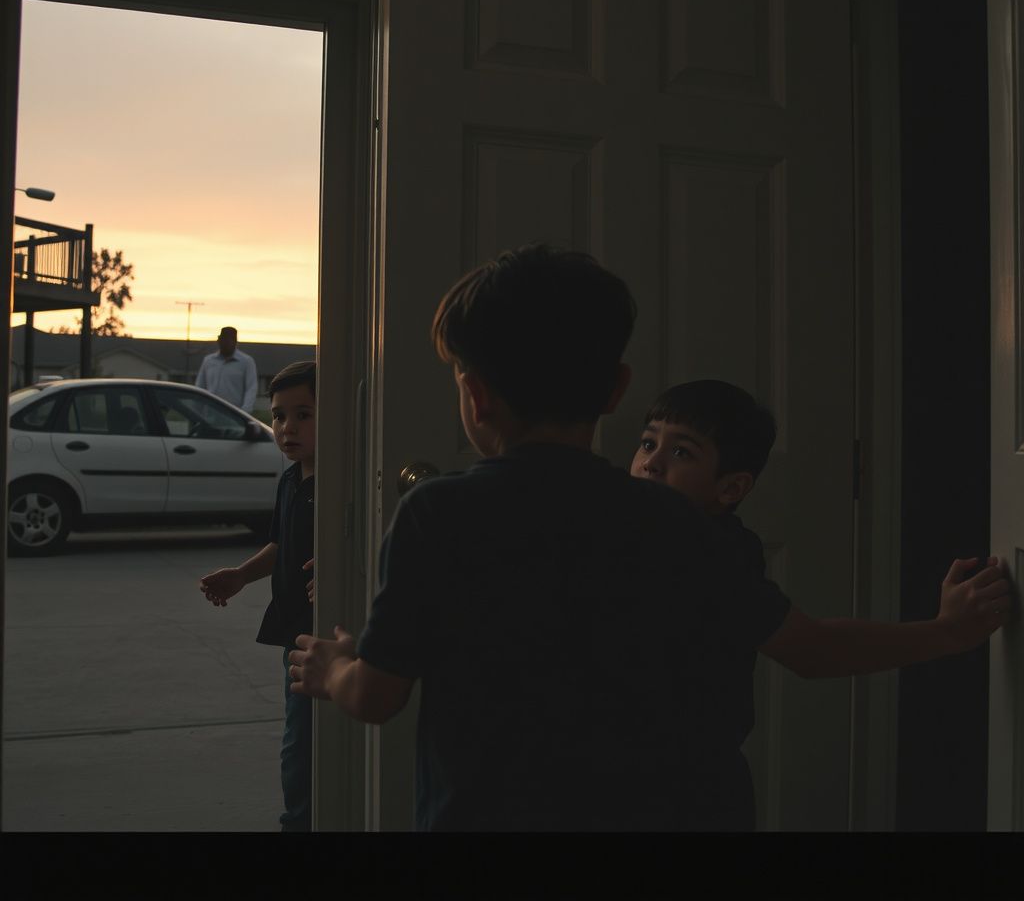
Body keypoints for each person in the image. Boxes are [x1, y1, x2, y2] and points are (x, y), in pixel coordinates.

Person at [288, 244, 805, 831]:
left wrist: (335, 668)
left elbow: (376, 697)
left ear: (476, 396)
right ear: (616, 389)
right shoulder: (674, 517)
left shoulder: (437, 513)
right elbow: (804, 647)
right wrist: (907, 636)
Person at [629, 378, 1010, 825]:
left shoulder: (712, 556)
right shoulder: (629, 533)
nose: (651, 462)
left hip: (687, 792)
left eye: (680, 452)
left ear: (730, 488)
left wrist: (947, 631)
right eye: (648, 443)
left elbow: (814, 649)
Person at [199, 360, 316, 832]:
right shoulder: (291, 480)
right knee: (299, 739)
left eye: (304, 415)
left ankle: (299, 823)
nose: (288, 428)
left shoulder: (341, 482)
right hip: (295, 631)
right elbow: (280, 544)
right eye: (279, 416)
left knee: (303, 745)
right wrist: (242, 576)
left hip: (326, 632)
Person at [195, 326, 259, 413]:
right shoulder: (208, 361)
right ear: (218, 340)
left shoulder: (246, 362)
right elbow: (200, 386)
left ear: (236, 342)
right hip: (210, 413)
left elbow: (251, 388)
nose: (226, 344)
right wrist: (197, 410)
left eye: (229, 341)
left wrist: (245, 411)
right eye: (224, 340)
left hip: (233, 414)